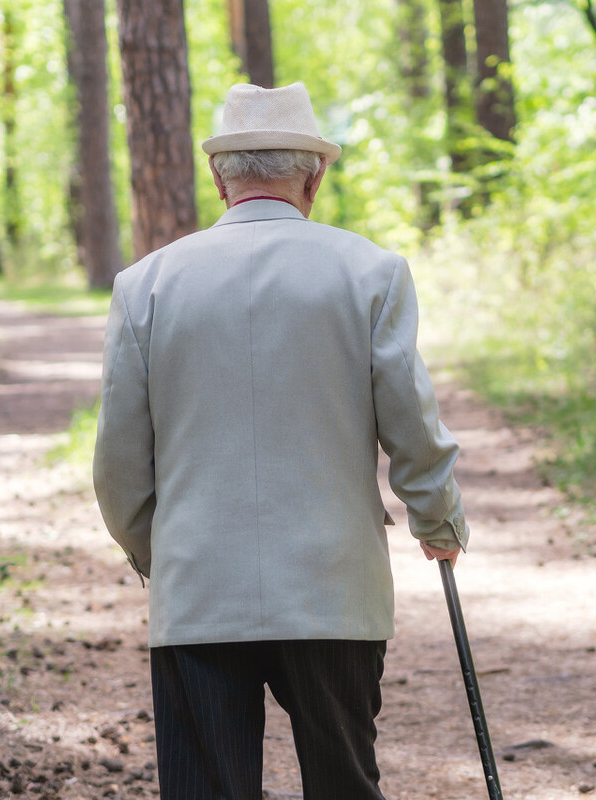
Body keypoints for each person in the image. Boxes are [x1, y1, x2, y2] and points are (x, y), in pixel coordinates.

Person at [92, 82, 469, 800]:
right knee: (343, 786)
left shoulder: (145, 285)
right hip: (332, 587)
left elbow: (117, 463)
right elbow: (411, 422)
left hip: (199, 586)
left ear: (218, 175)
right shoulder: (371, 273)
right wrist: (438, 517)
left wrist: (156, 549)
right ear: (314, 175)